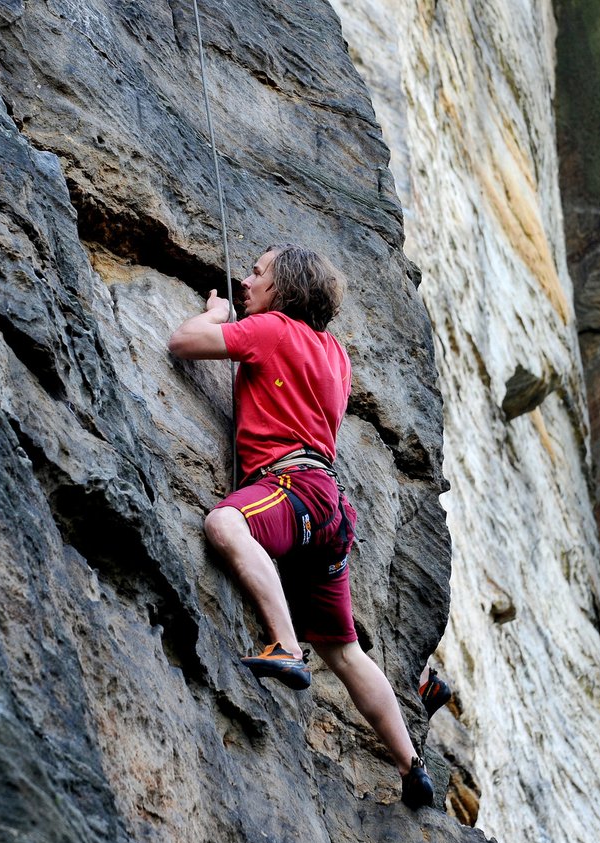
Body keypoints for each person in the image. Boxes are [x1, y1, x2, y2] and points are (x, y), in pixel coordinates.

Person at [168, 243, 435, 810]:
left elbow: (182, 344)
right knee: (343, 649)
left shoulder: (270, 331)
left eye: (258, 273)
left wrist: (218, 318)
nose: (246, 279)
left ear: (282, 290)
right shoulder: (336, 354)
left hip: (291, 488)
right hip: (330, 508)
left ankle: (284, 646)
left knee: (224, 523)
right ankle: (412, 766)